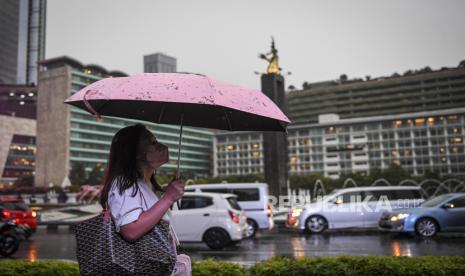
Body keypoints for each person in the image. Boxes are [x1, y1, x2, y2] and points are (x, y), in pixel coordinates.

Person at [99, 123, 185, 245]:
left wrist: (168, 195)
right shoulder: (125, 183)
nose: (161, 146)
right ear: (133, 150)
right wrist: (168, 198)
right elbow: (131, 230)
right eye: (152, 143)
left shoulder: (147, 184)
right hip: (138, 263)